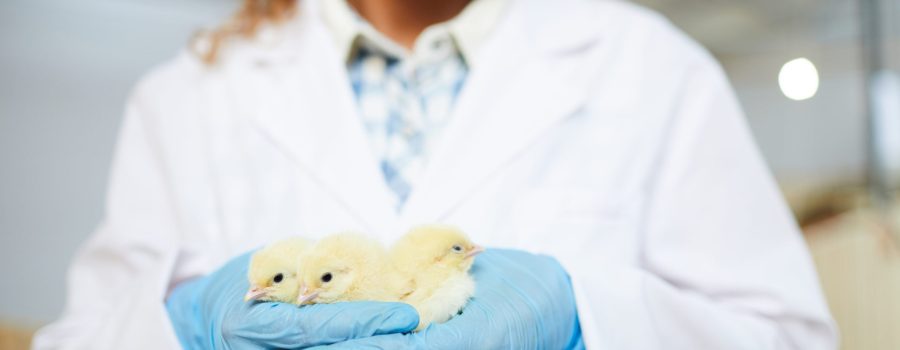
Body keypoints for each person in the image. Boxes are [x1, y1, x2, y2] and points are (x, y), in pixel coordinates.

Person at [33, 0, 838, 348]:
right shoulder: (188, 99)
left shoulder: (651, 69)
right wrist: (178, 326)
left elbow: (791, 340)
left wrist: (593, 319)